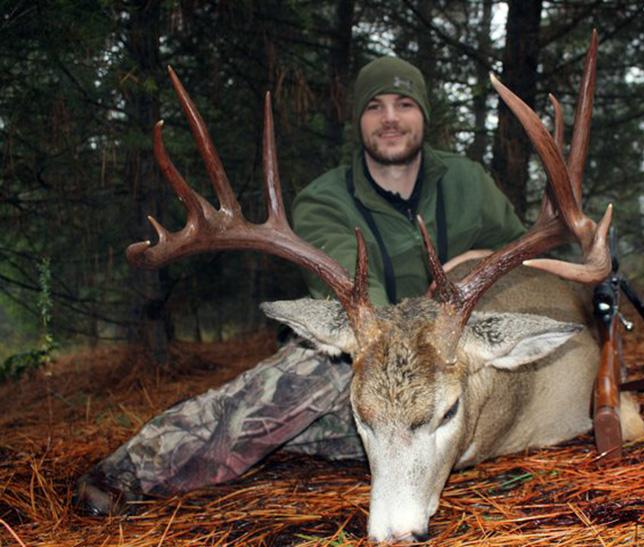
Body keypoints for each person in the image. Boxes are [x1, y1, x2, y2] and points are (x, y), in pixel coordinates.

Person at [74, 56, 526, 515]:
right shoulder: (323, 201)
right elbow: (357, 303)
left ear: (423, 115)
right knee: (305, 379)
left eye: (404, 104)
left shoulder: (469, 183)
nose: (390, 118)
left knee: (328, 429)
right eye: (375, 107)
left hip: (446, 371)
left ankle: (300, 443)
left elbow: (528, 256)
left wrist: (546, 266)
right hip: (361, 352)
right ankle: (127, 473)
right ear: (358, 121)